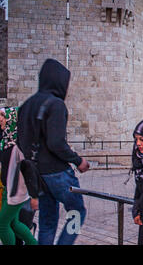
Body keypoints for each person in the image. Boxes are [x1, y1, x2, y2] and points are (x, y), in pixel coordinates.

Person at [17, 59, 90, 245]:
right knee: (77, 211)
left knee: (47, 221)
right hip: (57, 173)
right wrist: (77, 160)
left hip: (37, 175)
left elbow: (22, 142)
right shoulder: (55, 104)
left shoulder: (26, 106)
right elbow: (56, 142)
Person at [0, 107, 38, 245]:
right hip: (8, 188)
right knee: (14, 224)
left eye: (3, 116)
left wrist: (34, 196)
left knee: (2, 225)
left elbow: (29, 170)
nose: (0, 119)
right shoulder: (6, 140)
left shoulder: (19, 146)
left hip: (16, 192)